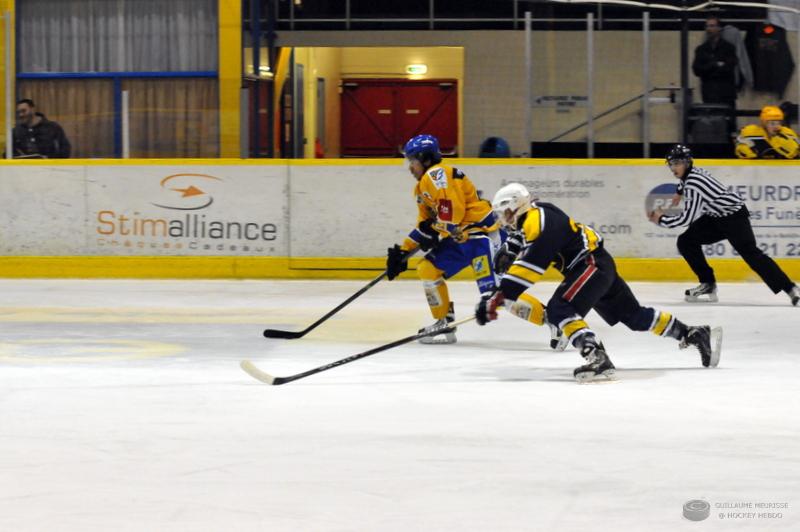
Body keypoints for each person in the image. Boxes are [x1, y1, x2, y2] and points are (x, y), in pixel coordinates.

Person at [474, 183, 721, 383]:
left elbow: (532, 265)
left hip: (589, 265)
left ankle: (596, 356)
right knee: (634, 316)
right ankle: (692, 333)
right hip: (598, 264)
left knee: (561, 309)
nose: (504, 219)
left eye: (505, 212)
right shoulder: (539, 211)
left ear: (516, 206)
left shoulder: (538, 221)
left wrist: (499, 296)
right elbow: (524, 237)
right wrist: (511, 247)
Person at [385, 134, 504, 344]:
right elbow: (425, 224)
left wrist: (433, 228)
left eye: (412, 161)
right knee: (428, 268)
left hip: (481, 237)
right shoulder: (422, 187)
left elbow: (453, 215)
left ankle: (553, 319)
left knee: (496, 295)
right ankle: (444, 323)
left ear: (425, 158)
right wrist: (403, 252)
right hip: (462, 240)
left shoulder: (437, 174)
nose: (410, 167)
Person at [648, 144, 800, 305]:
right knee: (686, 241)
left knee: (752, 255)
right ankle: (708, 284)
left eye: (676, 163)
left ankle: (790, 288)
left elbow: (686, 219)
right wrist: (679, 193)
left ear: (686, 162)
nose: (673, 168)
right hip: (715, 218)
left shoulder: (694, 183)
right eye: (671, 164)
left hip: (734, 218)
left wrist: (661, 219)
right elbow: (683, 183)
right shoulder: (692, 173)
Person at [692, 15, 738, 110]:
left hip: (726, 93)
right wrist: (715, 64)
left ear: (719, 28)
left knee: (728, 121)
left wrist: (708, 69)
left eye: (712, 26)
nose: (709, 29)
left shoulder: (728, 48)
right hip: (709, 93)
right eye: (707, 26)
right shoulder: (701, 49)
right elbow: (696, 70)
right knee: (711, 121)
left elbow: (729, 68)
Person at [735, 105, 800, 159]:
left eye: (779, 123)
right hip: (758, 171)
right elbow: (740, 149)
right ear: (764, 124)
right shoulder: (751, 133)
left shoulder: (788, 133)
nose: (776, 126)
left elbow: (796, 152)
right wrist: (746, 151)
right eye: (772, 123)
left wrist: (785, 144)